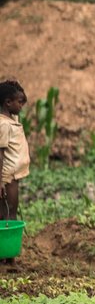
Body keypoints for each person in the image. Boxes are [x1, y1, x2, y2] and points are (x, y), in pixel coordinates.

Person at [0, 81, 29, 267]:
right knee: (9, 215)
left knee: (6, 214)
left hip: (11, 176)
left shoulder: (11, 119)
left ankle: (5, 256)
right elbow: (0, 154)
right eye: (19, 102)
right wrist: (0, 181)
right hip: (7, 177)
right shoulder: (3, 125)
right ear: (7, 102)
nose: (21, 106)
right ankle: (8, 259)